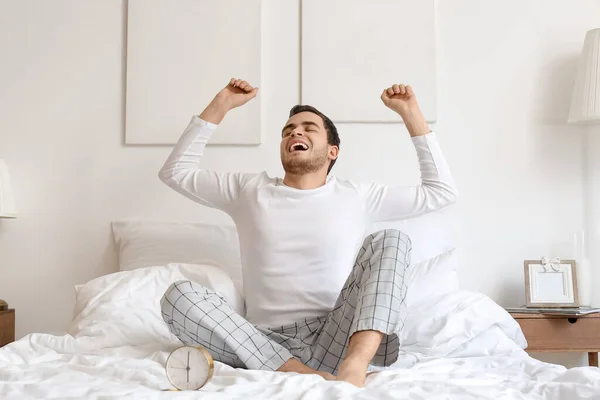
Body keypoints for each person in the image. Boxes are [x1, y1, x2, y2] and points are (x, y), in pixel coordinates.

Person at [158, 78, 458, 387]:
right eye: (288, 131)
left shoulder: (356, 195)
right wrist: (222, 103)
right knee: (178, 296)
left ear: (332, 151)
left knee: (393, 240)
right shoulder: (248, 190)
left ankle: (355, 366)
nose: (295, 132)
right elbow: (175, 172)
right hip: (263, 344)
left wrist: (411, 113)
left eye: (308, 128)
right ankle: (301, 374)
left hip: (336, 337)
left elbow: (441, 192)